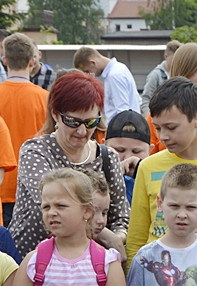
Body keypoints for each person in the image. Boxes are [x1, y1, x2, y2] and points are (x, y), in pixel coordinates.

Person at [10, 71, 130, 259]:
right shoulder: (36, 151)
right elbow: (54, 199)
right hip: (32, 262)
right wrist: (107, 236)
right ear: (56, 114)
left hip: (88, 268)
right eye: (73, 122)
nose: (82, 131)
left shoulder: (108, 157)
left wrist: (117, 239)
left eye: (91, 122)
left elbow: (121, 217)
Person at [127, 78, 197, 263]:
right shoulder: (147, 166)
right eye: (157, 128)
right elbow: (137, 237)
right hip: (156, 271)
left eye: (171, 128)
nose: (163, 136)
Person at [0, 33, 50, 226]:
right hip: (34, 186)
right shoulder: (46, 99)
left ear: (4, 60)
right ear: (32, 62)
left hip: (3, 186)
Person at [72, 46, 141, 122]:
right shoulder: (120, 68)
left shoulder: (114, 75)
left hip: (121, 129)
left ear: (92, 62)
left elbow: (123, 110)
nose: (88, 74)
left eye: (87, 70)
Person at [104, 110, 152, 205]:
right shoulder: (94, 173)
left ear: (150, 151)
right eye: (119, 150)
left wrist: (141, 171)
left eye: (136, 151)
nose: (128, 158)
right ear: (103, 146)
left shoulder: (158, 177)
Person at [141, 41, 180, 116]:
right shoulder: (155, 75)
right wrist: (149, 119)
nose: (177, 62)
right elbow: (146, 99)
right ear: (166, 56)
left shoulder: (180, 74)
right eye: (174, 58)